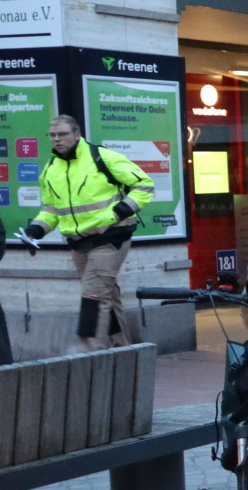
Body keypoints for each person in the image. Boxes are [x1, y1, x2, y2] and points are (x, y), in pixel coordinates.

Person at [23, 114, 155, 351]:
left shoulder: (103, 157)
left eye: (62, 134)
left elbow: (144, 185)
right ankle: (123, 350)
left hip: (111, 236)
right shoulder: (51, 169)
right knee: (107, 295)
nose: (57, 139)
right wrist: (36, 230)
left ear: (77, 134)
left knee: (93, 296)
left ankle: (89, 353)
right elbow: (52, 208)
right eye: (52, 135)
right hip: (79, 242)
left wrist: (119, 212)